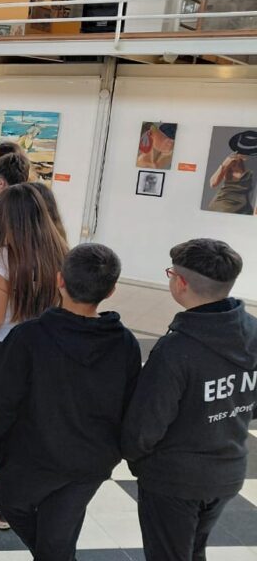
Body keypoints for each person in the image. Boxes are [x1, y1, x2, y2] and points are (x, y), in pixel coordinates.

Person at [0, 243, 141, 560]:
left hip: (32, 458)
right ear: (111, 291)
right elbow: (131, 404)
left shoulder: (28, 337)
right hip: (91, 460)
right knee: (57, 536)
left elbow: (2, 402)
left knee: (16, 509)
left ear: (59, 280)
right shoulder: (124, 342)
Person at [122, 239, 257, 561]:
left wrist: (140, 461)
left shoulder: (175, 351)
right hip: (228, 471)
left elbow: (144, 428)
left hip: (174, 480)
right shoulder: (253, 330)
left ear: (180, 283)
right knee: (193, 549)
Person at [0, 183, 69, 530]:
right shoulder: (60, 251)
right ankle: (26, 496)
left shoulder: (3, 257)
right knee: (27, 423)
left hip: (0, 351)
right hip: (45, 348)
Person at [207, 131, 255, 215]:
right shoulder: (231, 160)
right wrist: (225, 164)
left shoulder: (254, 164)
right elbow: (213, 183)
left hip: (244, 207)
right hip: (223, 203)